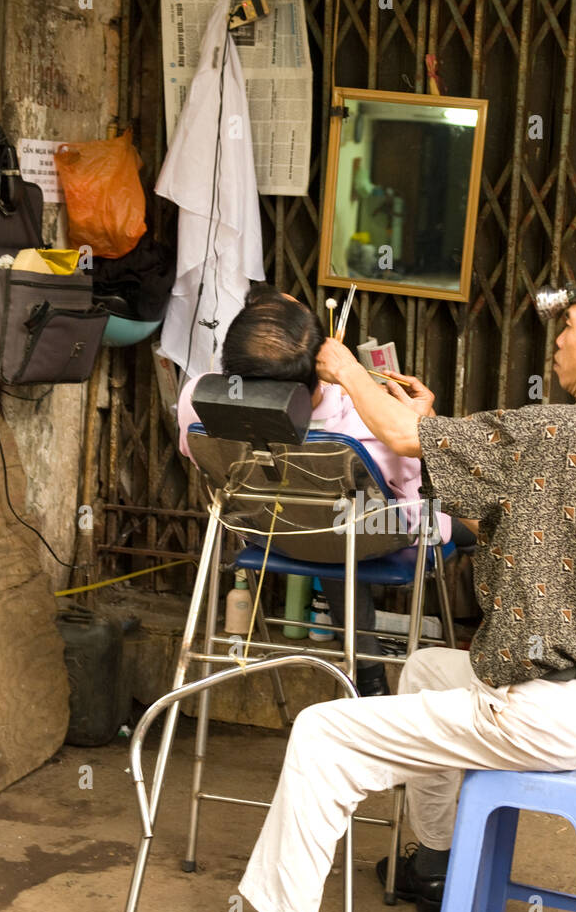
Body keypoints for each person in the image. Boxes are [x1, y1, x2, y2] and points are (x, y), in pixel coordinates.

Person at [171, 258, 576, 912]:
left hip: (537, 711)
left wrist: (347, 369)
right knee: (424, 668)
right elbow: (506, 526)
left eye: (570, 326)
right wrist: (434, 427)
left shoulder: (557, 429)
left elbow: (397, 435)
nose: (558, 340)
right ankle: (436, 867)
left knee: (322, 735)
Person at [176, 284, 456, 697]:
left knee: (333, 525)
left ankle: (369, 675)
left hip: (268, 533)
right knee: (460, 520)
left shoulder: (196, 402)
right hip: (369, 540)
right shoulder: (365, 424)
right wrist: (421, 419)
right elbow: (421, 502)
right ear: (318, 368)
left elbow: (194, 452)